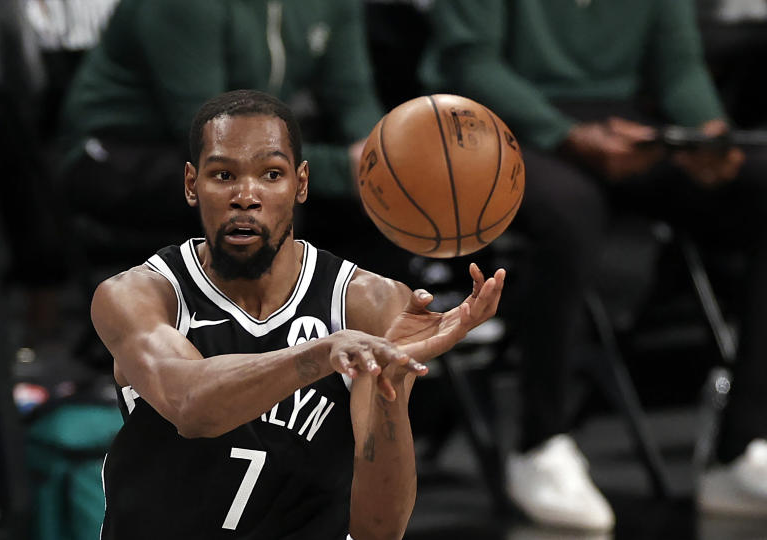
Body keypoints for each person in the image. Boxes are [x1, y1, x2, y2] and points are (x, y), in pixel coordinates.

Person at [89, 89, 506, 539]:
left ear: (301, 183)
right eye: (223, 175)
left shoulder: (365, 303)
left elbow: (378, 530)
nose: (246, 196)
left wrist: (388, 384)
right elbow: (191, 406)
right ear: (192, 184)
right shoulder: (140, 295)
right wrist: (319, 354)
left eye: (271, 174)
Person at [422, 0, 767, 531]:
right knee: (571, 211)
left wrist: (706, 133)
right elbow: (472, 65)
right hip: (494, 126)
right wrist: (565, 133)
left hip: (623, 120)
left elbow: (677, 66)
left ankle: (741, 445)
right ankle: (540, 441)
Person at [55, 0, 389, 273]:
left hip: (243, 142)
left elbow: (353, 95)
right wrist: (343, 170)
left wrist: (378, 156)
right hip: (121, 151)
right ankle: (254, 346)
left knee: (385, 194)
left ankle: (372, 338)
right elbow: (207, 133)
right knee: (257, 198)